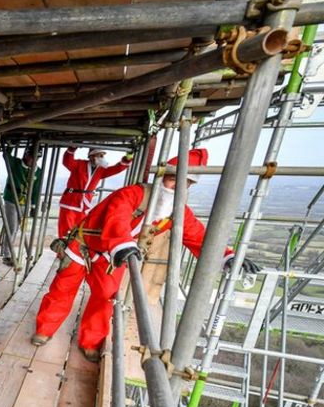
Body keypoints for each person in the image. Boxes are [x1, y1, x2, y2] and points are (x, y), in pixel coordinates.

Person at [31, 150, 260, 362]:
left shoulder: (175, 211)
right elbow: (117, 217)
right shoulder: (133, 193)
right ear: (163, 177)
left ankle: (90, 341)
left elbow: (198, 235)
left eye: (186, 183)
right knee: (62, 289)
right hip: (87, 247)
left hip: (114, 256)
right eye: (173, 180)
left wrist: (228, 257)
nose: (176, 187)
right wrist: (123, 244)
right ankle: (44, 329)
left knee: (106, 297)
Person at [54, 146, 133, 241]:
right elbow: (67, 161)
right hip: (70, 202)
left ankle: (74, 251)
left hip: (85, 204)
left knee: (80, 230)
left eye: (102, 156)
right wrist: (72, 149)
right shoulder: (79, 164)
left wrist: (128, 158)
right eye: (100, 155)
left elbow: (117, 168)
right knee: (66, 229)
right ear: (92, 156)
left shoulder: (101, 170)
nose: (102, 158)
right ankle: (62, 251)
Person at [0, 148, 43, 266]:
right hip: (11, 200)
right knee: (12, 228)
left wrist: (34, 206)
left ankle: (10, 252)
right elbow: (6, 155)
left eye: (37, 158)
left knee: (20, 228)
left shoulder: (37, 172)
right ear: (26, 155)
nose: (34, 160)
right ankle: (7, 255)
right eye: (32, 157)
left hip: (26, 203)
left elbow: (35, 190)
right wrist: (11, 145)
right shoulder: (16, 163)